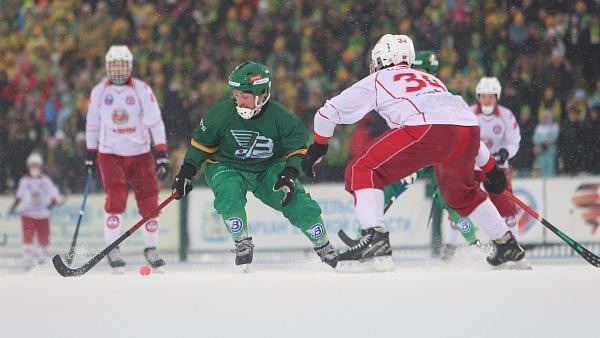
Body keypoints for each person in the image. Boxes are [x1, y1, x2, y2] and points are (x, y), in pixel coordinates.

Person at [302, 34, 526, 269]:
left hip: (427, 129)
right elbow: (455, 122)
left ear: (381, 58)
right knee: (462, 195)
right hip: (468, 129)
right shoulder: (433, 81)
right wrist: (490, 168)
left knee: (363, 169)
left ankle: (375, 239)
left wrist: (319, 146)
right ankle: (506, 244)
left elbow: (327, 113)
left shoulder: (379, 78)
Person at [171, 60, 339, 270]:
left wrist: (290, 172)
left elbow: (297, 148)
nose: (239, 102)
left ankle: (324, 245)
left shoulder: (282, 118)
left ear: (261, 94)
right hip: (226, 165)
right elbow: (200, 146)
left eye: (245, 96)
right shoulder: (220, 114)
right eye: (236, 95)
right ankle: (242, 242)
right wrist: (186, 172)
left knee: (295, 199)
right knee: (228, 192)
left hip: (267, 168)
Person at [85, 45, 170, 272]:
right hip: (110, 153)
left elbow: (155, 122)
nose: (119, 69)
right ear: (108, 67)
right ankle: (113, 248)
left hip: (140, 153)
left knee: (150, 201)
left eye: (123, 64)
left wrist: (161, 153)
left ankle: (151, 249)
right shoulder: (99, 92)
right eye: (115, 65)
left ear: (130, 66)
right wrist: (90, 152)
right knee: (116, 198)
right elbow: (92, 124)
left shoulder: (142, 90)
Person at [9, 153, 61, 270]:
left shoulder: (45, 180)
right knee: (28, 236)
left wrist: (54, 201)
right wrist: (13, 206)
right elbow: (19, 196)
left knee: (44, 236)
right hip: (28, 213)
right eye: (32, 165)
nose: (34, 167)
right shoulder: (24, 180)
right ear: (28, 166)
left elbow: (54, 193)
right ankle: (27, 259)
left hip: (42, 214)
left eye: (36, 165)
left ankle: (43, 258)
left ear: (40, 166)